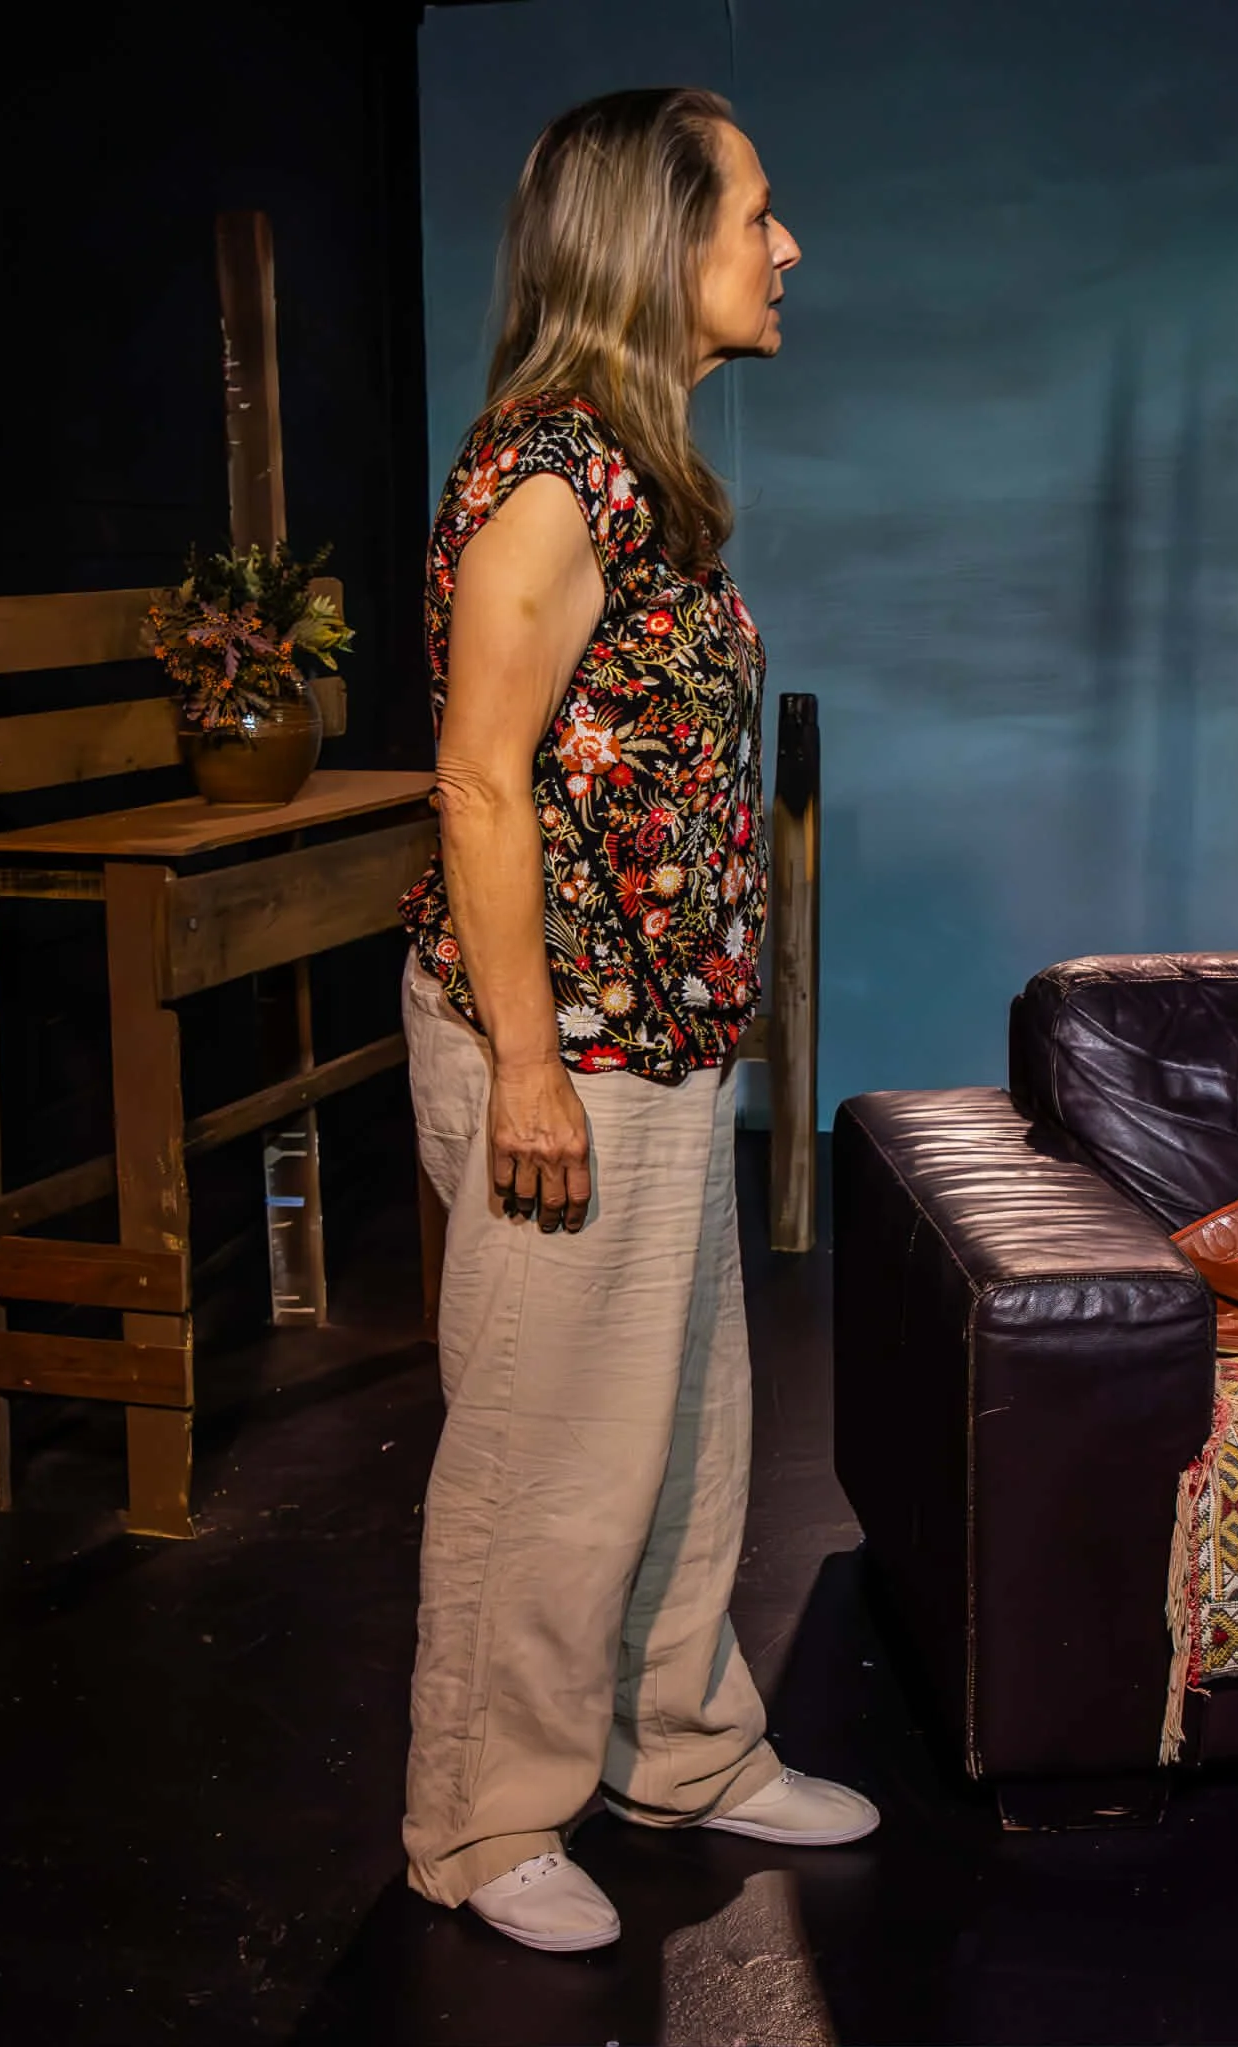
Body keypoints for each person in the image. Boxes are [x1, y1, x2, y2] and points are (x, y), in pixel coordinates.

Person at [396, 86, 877, 1955]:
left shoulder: (638, 462)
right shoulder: (544, 473)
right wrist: (527, 1063)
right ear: (651, 240)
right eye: (754, 211)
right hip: (562, 1049)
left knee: (679, 1422)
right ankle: (480, 1816)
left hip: (656, 1049)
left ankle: (676, 1746)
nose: (783, 245)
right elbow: (477, 784)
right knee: (541, 1443)